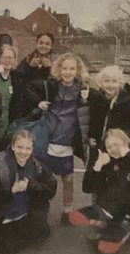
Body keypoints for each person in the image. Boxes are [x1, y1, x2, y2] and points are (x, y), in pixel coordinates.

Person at [69, 128, 130, 254]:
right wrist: (98, 165)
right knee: (100, 243)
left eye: (116, 145)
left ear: (125, 144)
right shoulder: (108, 161)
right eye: (109, 147)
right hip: (115, 205)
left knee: (106, 247)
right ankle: (110, 221)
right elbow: (87, 187)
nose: (113, 149)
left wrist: (128, 155)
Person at [26, 52, 90, 223]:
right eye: (64, 68)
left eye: (72, 68)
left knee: (67, 178)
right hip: (48, 138)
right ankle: (39, 209)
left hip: (67, 140)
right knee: (42, 177)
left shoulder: (83, 89)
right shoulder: (51, 85)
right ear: (59, 69)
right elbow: (29, 87)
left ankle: (67, 211)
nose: (68, 72)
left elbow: (92, 108)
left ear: (77, 71)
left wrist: (85, 101)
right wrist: (38, 102)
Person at [0, 130, 56, 254]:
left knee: (40, 233)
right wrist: (10, 191)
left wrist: (30, 185)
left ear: (32, 149)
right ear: (13, 146)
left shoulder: (37, 165)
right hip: (6, 212)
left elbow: (51, 190)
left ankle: (28, 227)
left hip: (28, 210)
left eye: (27, 148)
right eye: (20, 147)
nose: (23, 152)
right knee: (8, 250)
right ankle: (8, 229)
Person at [88, 65, 130, 157]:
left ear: (120, 83)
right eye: (106, 81)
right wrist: (90, 137)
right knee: (95, 168)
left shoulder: (126, 102)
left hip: (122, 146)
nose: (110, 85)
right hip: (100, 147)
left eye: (114, 81)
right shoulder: (96, 100)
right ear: (101, 83)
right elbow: (92, 122)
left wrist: (120, 139)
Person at [13, 33, 56, 117]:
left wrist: (50, 68)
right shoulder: (28, 58)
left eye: (47, 44)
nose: (43, 46)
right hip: (28, 105)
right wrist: (29, 67)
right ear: (36, 44)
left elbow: (58, 82)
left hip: (48, 104)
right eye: (41, 43)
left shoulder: (56, 61)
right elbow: (17, 78)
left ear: (51, 46)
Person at [0, 43, 23, 148]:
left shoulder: (15, 78)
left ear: (15, 60)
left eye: (10, 58)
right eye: (5, 57)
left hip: (7, 123)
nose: (8, 60)